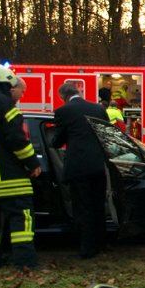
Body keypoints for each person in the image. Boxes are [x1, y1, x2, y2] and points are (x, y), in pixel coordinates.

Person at [51, 81, 110, 259]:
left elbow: (57, 142)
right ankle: (102, 244)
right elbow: (106, 135)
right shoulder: (99, 109)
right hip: (98, 165)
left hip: (78, 167)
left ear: (63, 97)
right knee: (98, 205)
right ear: (79, 92)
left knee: (83, 207)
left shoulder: (63, 112)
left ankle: (87, 249)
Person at [0, 64, 41, 270]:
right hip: (10, 179)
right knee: (22, 220)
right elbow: (16, 140)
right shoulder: (4, 104)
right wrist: (33, 163)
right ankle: (25, 263)